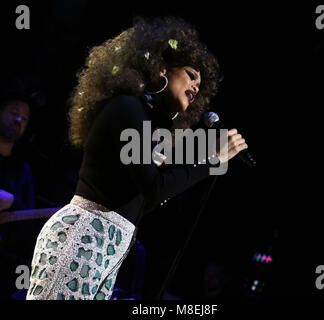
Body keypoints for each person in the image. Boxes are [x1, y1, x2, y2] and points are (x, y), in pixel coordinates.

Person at [26, 16, 248, 300]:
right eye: (191, 74)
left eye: (200, 85)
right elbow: (154, 187)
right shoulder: (126, 107)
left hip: (108, 249)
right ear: (162, 68)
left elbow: (147, 199)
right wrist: (212, 161)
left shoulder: (147, 127)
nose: (195, 87)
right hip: (81, 238)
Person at [0, 94, 35, 211]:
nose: (19, 120)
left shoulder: (23, 171)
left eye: (24, 118)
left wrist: (11, 202)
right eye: (14, 113)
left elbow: (28, 216)